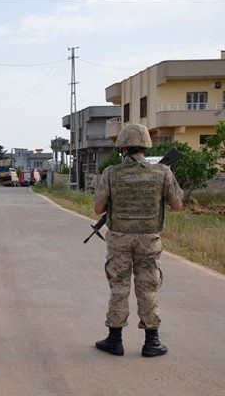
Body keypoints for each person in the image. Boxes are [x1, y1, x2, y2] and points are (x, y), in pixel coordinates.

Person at [93, 123, 183, 357]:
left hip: (119, 238)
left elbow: (98, 208)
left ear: (122, 147)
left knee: (119, 288)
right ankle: (152, 342)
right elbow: (177, 204)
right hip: (149, 240)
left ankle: (115, 340)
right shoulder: (163, 172)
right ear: (145, 145)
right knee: (148, 287)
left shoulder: (111, 173)